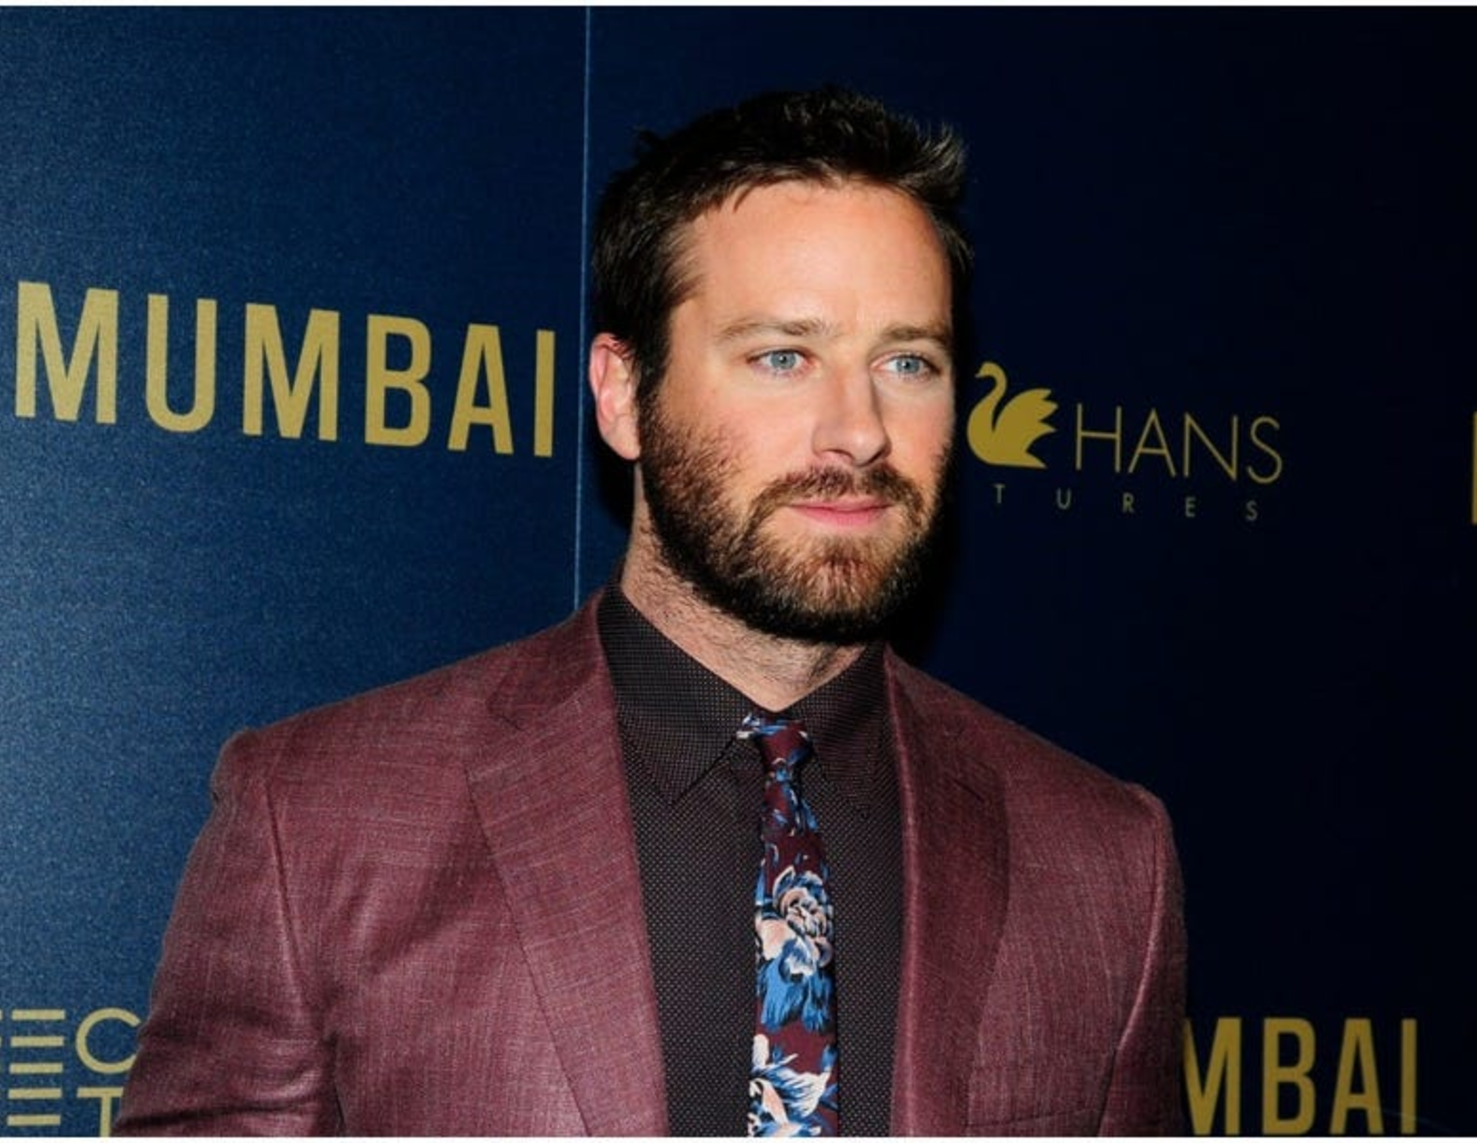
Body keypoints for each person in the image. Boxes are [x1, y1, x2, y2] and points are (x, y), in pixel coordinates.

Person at [114, 86, 1186, 1137]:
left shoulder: (1103, 864)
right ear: (623, 395)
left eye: (908, 362)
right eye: (783, 357)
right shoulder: (320, 824)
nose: (859, 429)